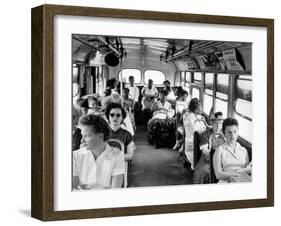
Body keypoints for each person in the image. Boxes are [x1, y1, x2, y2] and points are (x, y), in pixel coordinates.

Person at [73, 114, 125, 189]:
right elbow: (73, 189)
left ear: (100, 136)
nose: (82, 140)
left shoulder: (117, 155)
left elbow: (115, 190)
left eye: (86, 136)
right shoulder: (75, 156)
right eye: (82, 135)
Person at [213, 118, 252, 183]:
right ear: (224, 133)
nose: (233, 135)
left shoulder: (244, 150)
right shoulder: (219, 150)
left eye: (235, 132)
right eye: (229, 132)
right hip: (226, 182)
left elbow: (247, 169)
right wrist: (238, 174)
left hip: (243, 181)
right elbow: (218, 175)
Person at [193, 112, 224, 184]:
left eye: (220, 123)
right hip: (207, 158)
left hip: (220, 159)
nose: (218, 126)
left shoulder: (223, 134)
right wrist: (212, 156)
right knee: (205, 171)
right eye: (216, 123)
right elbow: (204, 149)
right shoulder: (207, 133)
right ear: (212, 123)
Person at [182, 98, 206, 170]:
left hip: (198, 139)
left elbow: (204, 127)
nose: (202, 108)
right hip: (192, 142)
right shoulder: (189, 118)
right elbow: (195, 132)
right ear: (196, 109)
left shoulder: (198, 117)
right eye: (200, 107)